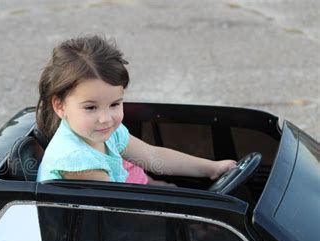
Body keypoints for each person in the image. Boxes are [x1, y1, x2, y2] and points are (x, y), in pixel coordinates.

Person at [36, 35, 236, 184]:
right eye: (91, 107)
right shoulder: (76, 161)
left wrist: (212, 168)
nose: (106, 118)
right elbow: (118, 210)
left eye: (114, 104)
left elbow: (153, 157)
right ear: (60, 105)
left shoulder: (105, 133)